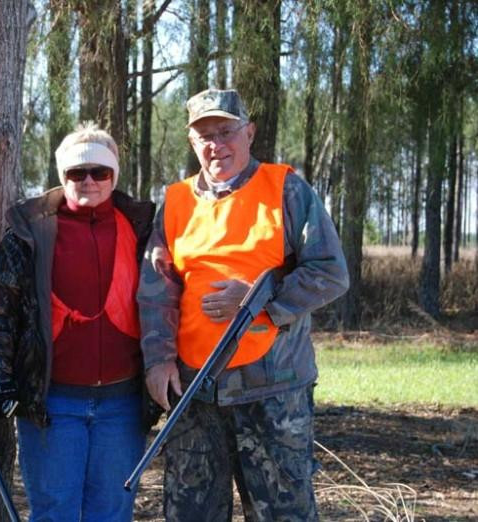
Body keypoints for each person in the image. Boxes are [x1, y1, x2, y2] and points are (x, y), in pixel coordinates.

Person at [138, 88, 349, 521]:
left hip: (273, 389)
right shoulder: (175, 201)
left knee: (282, 514)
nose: (217, 144)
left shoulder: (286, 189)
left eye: (226, 131)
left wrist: (258, 302)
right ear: (192, 143)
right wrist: (158, 361)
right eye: (205, 136)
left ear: (249, 133)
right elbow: (157, 289)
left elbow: (329, 271)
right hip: (194, 390)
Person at [0, 122, 155, 521]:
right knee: (54, 511)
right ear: (62, 176)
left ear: (114, 175)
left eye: (99, 172)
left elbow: (167, 304)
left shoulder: (144, 230)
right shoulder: (29, 232)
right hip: (53, 403)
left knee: (112, 512)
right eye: (77, 172)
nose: (88, 181)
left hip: (123, 405)